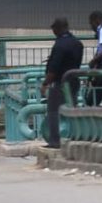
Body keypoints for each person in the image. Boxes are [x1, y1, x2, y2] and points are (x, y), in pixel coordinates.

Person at [40, 18, 83, 149]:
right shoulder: (77, 43)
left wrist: (45, 83)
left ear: (58, 28)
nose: (53, 32)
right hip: (74, 80)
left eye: (54, 29)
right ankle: (77, 137)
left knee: (53, 111)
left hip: (60, 82)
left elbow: (54, 68)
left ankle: (54, 140)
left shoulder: (59, 45)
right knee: (72, 110)